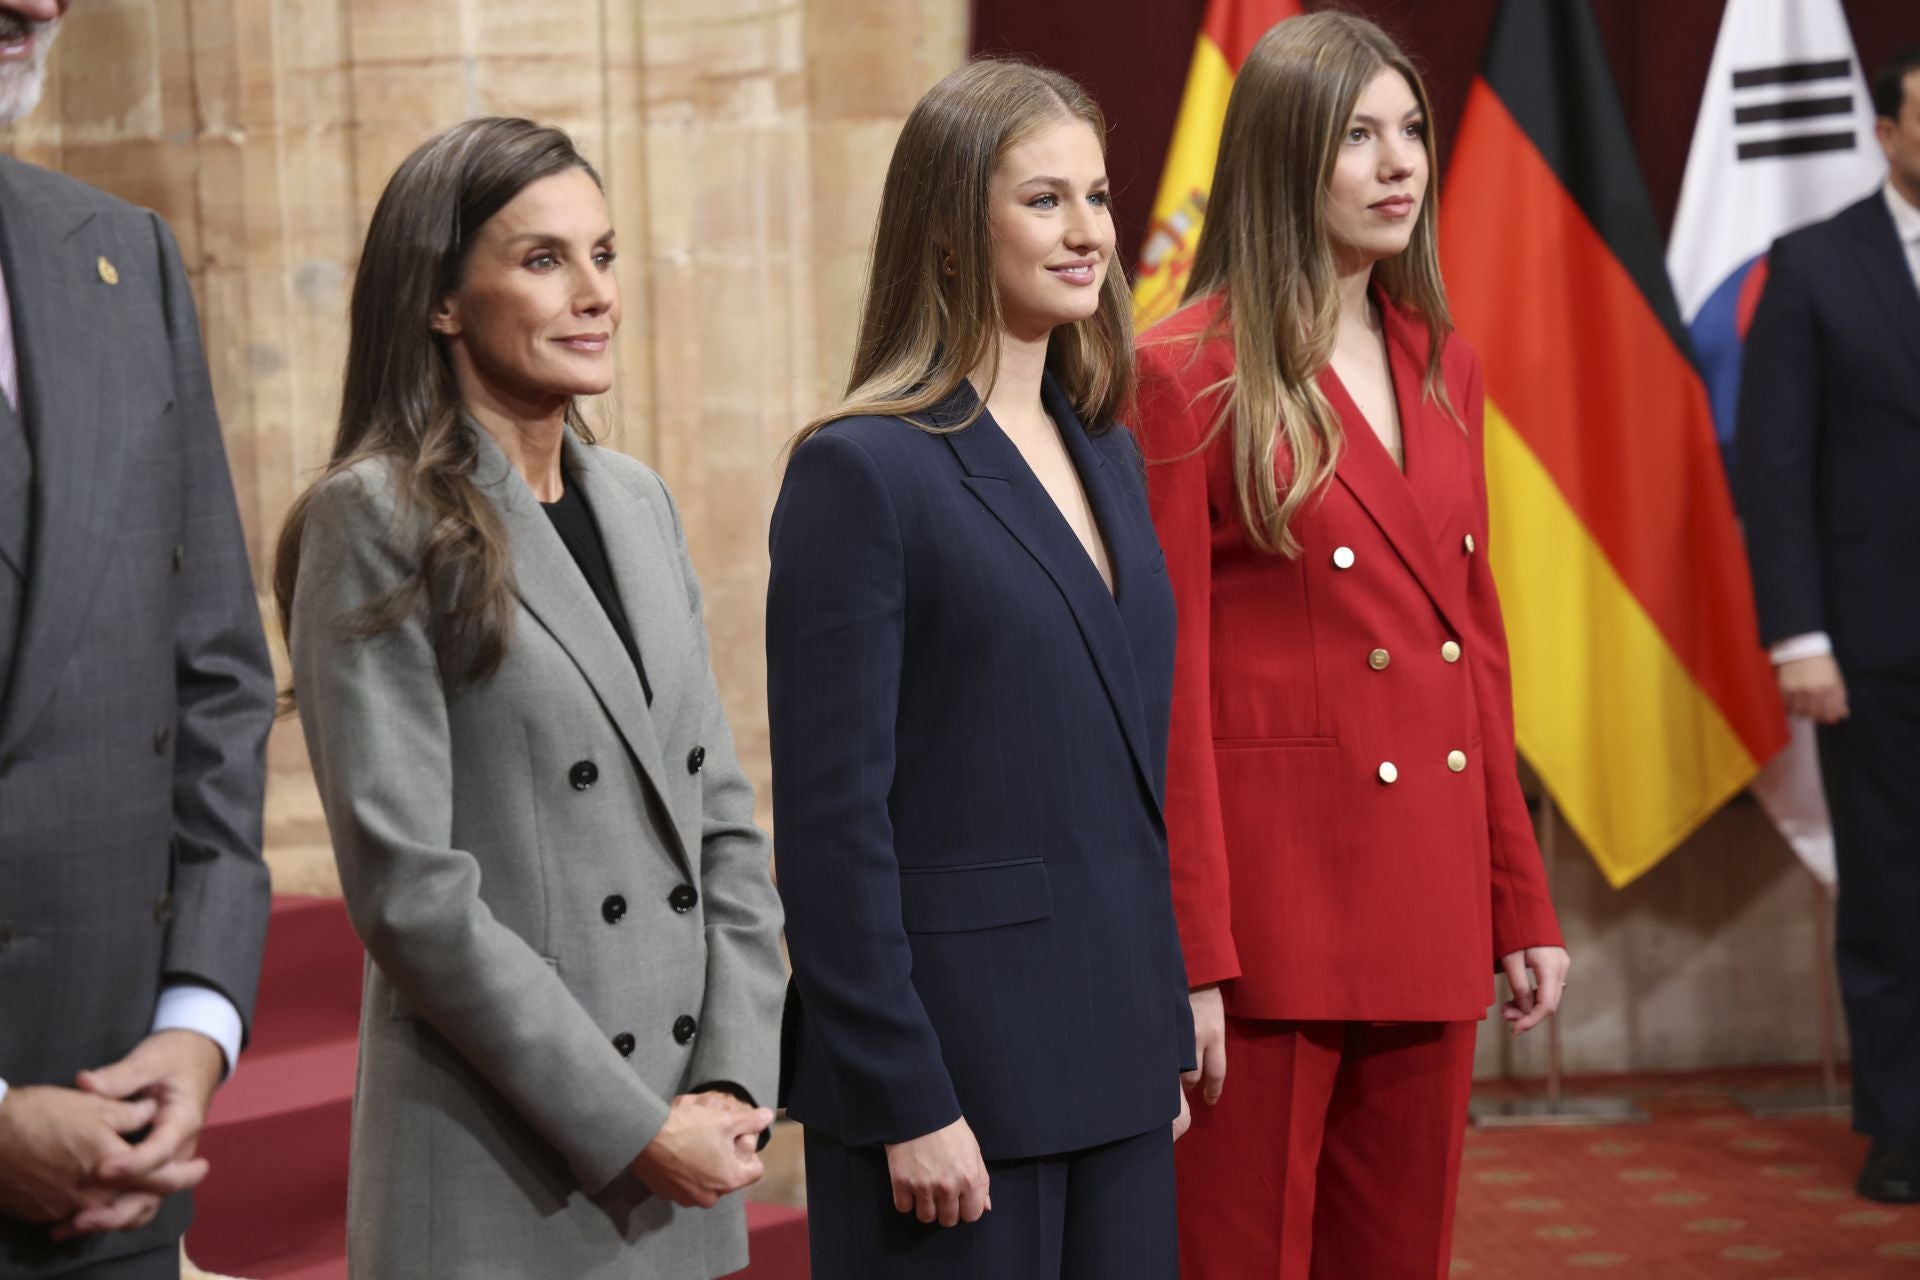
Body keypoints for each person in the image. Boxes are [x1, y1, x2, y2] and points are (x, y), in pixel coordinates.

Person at [275, 117, 786, 1277]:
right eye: (543, 260)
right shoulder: (374, 517)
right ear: (442, 298)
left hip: (686, 1153)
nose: (593, 292)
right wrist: (634, 1124)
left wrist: (732, 1077)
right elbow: (411, 890)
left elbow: (718, 819)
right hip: (506, 1169)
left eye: (603, 255)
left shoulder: (641, 500)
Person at [1132, 13, 1569, 1277]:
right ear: (1282, 158)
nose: (1400, 164)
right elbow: (1166, 689)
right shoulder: (1184, 370)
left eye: (1411, 131)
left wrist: (1517, 896)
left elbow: (1469, 648)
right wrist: (1191, 952)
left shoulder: (1446, 364)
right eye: (1358, 136)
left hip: (1427, 898)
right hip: (1274, 924)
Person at [767, 59, 1192, 1280]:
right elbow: (834, 824)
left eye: (1100, 198)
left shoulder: (1105, 447)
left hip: (1114, 1051)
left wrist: (1156, 1022)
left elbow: (1126, 774)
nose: (1088, 233)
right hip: (953, 1086)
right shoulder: (863, 469)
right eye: (1044, 200)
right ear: (953, 231)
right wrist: (905, 1091)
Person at [0, 2, 275, 1276]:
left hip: (116, 1153)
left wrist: (195, 1017)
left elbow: (215, 668)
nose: (45, 7)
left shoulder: (122, 254)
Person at [1737, 43, 1920, 1206]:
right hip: (1876, 640)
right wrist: (1798, 637)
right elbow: (1777, 466)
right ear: (1890, 131)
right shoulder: (1811, 265)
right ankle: (1903, 1123)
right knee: (1897, 892)